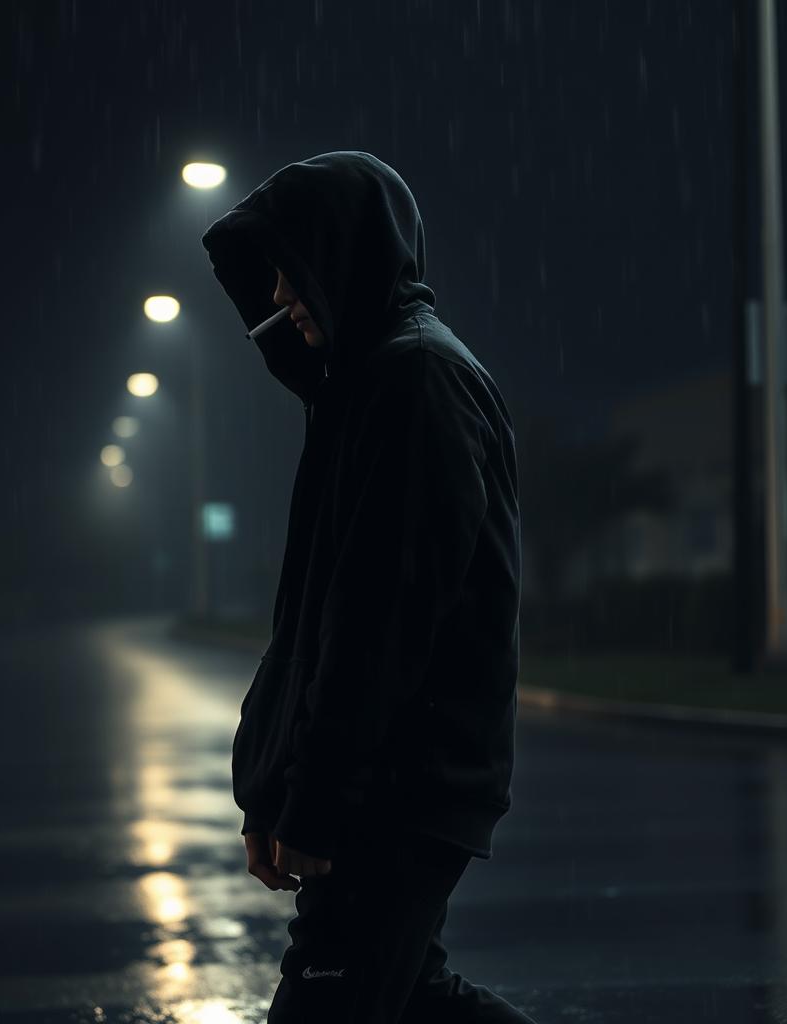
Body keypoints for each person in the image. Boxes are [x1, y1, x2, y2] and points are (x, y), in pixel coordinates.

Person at [201, 152, 538, 1023]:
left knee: (331, 1006)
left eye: (291, 265)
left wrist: (315, 801)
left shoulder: (417, 383)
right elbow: (310, 621)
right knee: (413, 1001)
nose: (278, 294)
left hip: (398, 786)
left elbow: (377, 631)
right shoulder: (363, 388)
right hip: (380, 780)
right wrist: (273, 790)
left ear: (344, 254)